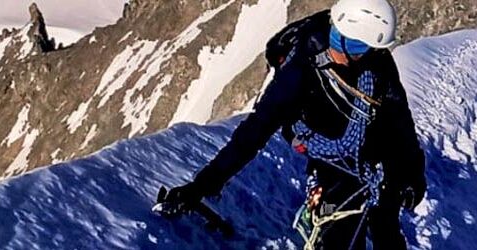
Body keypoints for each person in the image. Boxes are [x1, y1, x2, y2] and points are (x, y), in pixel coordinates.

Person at [161, 0, 426, 249]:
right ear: (344, 36)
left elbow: (398, 119)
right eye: (359, 48)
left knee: (386, 227)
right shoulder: (300, 72)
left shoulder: (376, 62)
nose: (364, 56)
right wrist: (202, 186)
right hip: (334, 163)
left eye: (368, 49)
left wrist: (412, 174)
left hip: (378, 154)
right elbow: (255, 131)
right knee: (343, 235)